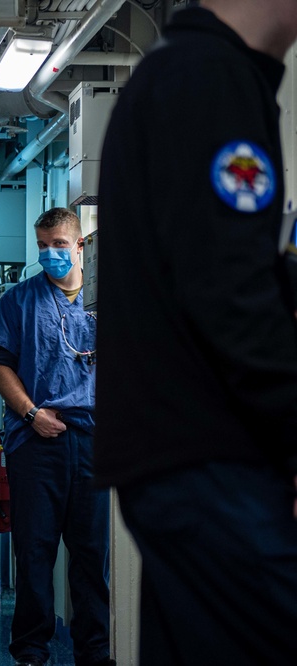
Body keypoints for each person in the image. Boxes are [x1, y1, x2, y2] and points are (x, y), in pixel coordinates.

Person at [96, 1, 297, 663]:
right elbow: (230, 298)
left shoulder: (194, 76)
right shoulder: (209, 82)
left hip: (184, 465)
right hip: (215, 465)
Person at [0, 207, 113, 666]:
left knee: (92, 554)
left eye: (59, 244)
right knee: (35, 551)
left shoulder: (104, 302)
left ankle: (94, 650)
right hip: (35, 442)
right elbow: (0, 366)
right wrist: (31, 412)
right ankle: (32, 649)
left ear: (81, 246)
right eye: (43, 246)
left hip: (94, 441)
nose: (50, 254)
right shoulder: (18, 301)